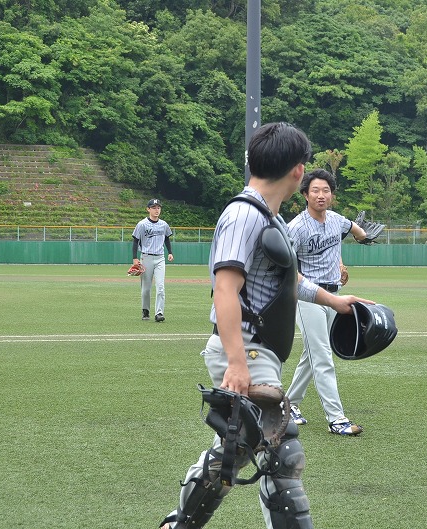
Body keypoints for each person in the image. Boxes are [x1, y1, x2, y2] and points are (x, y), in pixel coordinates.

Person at [158, 122, 374, 529]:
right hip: (246, 349)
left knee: (237, 449)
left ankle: (179, 524)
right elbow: (225, 289)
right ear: (298, 171)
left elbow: (290, 280)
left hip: (260, 351)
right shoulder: (243, 215)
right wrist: (237, 363)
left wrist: (335, 301)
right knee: (282, 452)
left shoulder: (269, 217)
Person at [286, 168, 374, 436]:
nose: (321, 195)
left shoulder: (337, 220)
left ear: (332, 195)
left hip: (333, 296)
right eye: (315, 190)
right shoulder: (296, 227)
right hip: (307, 297)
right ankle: (336, 419)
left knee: (312, 353)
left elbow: (355, 229)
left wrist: (362, 237)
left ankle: (287, 405)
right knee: (323, 356)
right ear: (305, 194)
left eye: (326, 190)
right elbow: (286, 267)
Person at [132, 199, 173, 322]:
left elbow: (166, 238)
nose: (156, 210)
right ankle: (145, 310)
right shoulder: (142, 224)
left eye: (158, 207)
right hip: (146, 257)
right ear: (148, 209)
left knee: (160, 287)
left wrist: (170, 252)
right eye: (154, 207)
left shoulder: (164, 224)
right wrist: (135, 258)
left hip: (160, 258)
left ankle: (159, 313)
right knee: (146, 288)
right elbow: (135, 241)